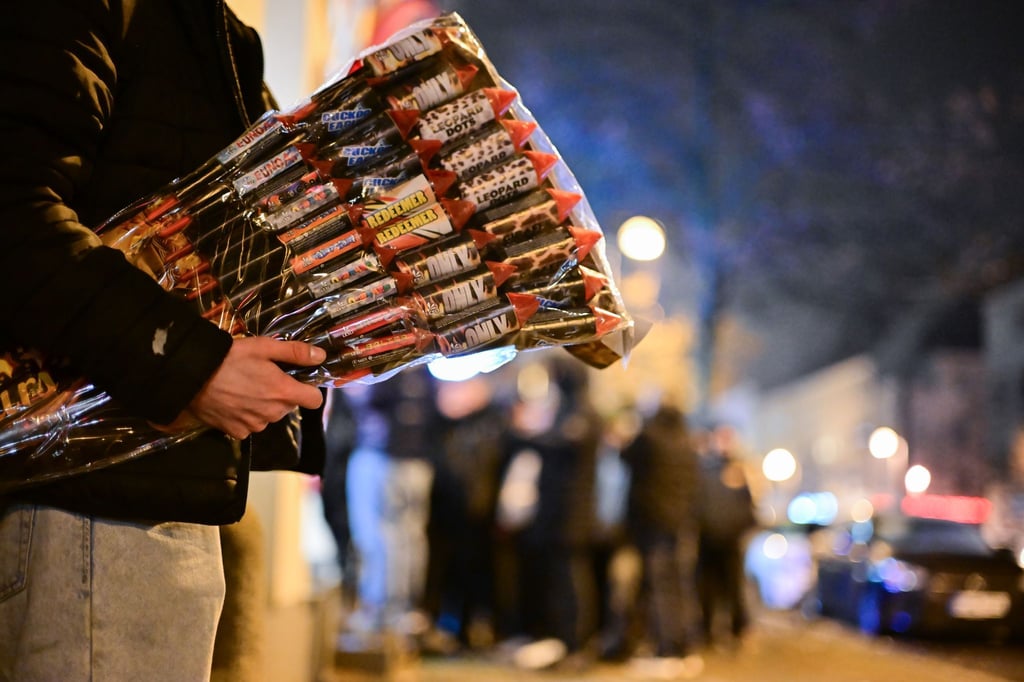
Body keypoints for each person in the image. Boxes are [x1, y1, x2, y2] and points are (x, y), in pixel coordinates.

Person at [0, 3, 326, 680]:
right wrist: (191, 367)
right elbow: (14, 216)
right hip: (92, 500)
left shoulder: (203, 27)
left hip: (143, 484)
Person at [621, 399, 704, 679]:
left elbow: (625, 455)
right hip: (681, 526)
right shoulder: (687, 444)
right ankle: (684, 646)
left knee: (660, 587)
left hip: (654, 525)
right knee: (681, 586)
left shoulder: (650, 438)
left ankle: (667, 649)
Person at [696, 423, 758, 650]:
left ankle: (738, 629)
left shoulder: (739, 470)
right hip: (707, 541)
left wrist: (739, 530)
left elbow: (749, 507)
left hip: (731, 541)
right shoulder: (703, 469)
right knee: (707, 589)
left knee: (733, 588)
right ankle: (706, 632)